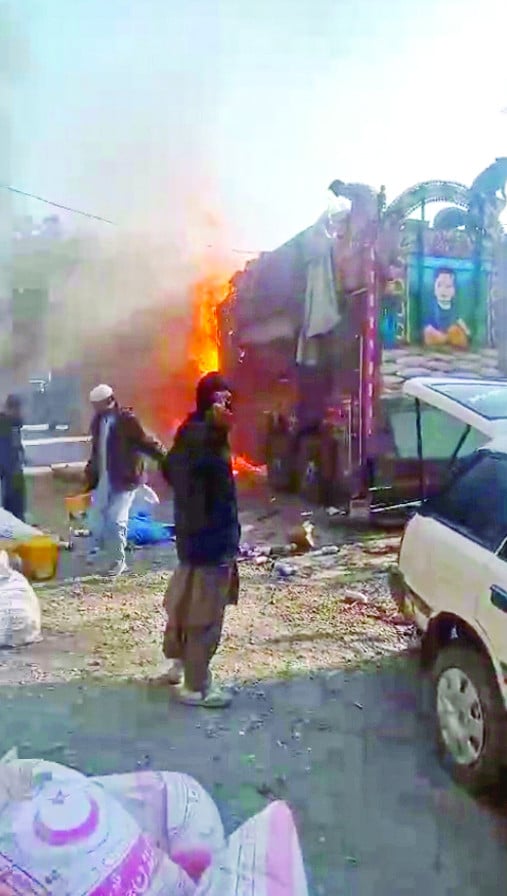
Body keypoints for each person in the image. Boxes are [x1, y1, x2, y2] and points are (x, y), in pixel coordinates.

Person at [160, 371, 240, 709]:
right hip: (212, 542)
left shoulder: (186, 432)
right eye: (221, 400)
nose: (227, 407)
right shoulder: (209, 439)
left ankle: (177, 664)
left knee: (181, 604)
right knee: (205, 616)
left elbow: (169, 469)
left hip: (190, 538)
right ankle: (196, 685)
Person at [84, 384, 165, 577]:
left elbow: (146, 441)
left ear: (109, 401)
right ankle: (104, 554)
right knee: (97, 520)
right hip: (105, 478)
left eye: (98, 404)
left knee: (116, 519)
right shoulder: (97, 422)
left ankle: (118, 562)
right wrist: (90, 472)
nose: (96, 408)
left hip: (125, 479)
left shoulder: (127, 421)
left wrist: (167, 458)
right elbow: (97, 451)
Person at [423, 267, 470, 348]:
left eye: (448, 286)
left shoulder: (454, 307)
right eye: (439, 285)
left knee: (455, 331)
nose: (443, 290)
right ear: (434, 289)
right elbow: (428, 324)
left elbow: (459, 320)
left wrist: (466, 331)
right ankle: (443, 340)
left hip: (451, 332)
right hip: (438, 333)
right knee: (428, 332)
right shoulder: (432, 307)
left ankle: (448, 340)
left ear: (454, 291)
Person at [0, 395, 26, 521]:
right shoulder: (4, 424)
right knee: (11, 506)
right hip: (8, 473)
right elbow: (5, 452)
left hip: (15, 471)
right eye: (16, 409)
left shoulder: (13, 424)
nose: (19, 412)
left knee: (18, 506)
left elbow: (16, 446)